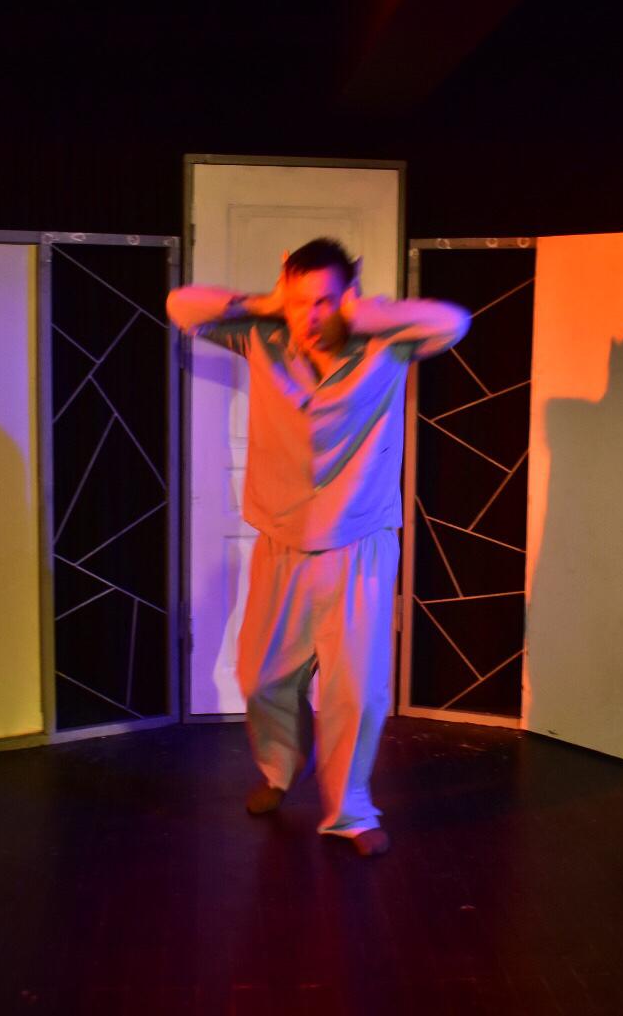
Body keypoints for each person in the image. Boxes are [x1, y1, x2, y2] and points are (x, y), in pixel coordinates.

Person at [167, 237, 470, 856]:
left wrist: (359, 313)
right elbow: (182, 305)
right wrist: (270, 302)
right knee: (260, 677)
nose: (311, 316)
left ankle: (349, 810)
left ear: (349, 295)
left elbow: (452, 322)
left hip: (358, 543)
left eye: (325, 300)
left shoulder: (388, 342)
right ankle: (280, 770)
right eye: (300, 301)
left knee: (354, 691)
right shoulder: (262, 336)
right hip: (282, 539)